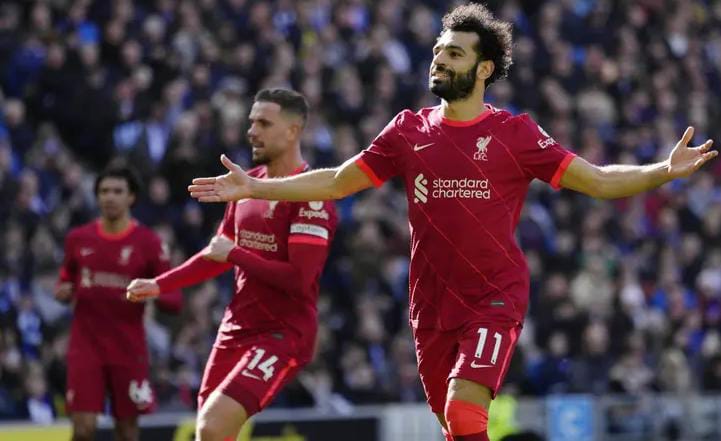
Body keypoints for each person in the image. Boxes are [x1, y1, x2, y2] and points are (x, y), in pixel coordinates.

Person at [187, 4, 717, 441]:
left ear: (483, 68)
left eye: (454, 54)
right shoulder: (407, 130)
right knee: (456, 429)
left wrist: (662, 172)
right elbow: (337, 182)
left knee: (465, 413)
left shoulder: (516, 134)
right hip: (430, 305)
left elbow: (599, 180)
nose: (439, 60)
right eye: (439, 51)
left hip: (493, 296)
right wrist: (256, 186)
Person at [126, 88, 338, 441]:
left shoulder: (309, 197)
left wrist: (237, 255)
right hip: (236, 328)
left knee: (212, 427)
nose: (252, 130)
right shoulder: (247, 185)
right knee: (208, 435)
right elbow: (216, 252)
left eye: (264, 123)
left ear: (293, 131)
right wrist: (160, 284)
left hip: (282, 334)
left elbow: (298, 281)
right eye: (251, 121)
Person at [56, 165, 182, 441]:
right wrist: (63, 291)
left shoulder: (150, 243)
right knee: (83, 429)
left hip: (128, 348)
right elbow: (65, 280)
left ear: (131, 198)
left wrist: (154, 292)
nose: (109, 197)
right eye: (104, 191)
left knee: (127, 432)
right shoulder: (78, 240)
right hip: (85, 346)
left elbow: (174, 300)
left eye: (117, 191)